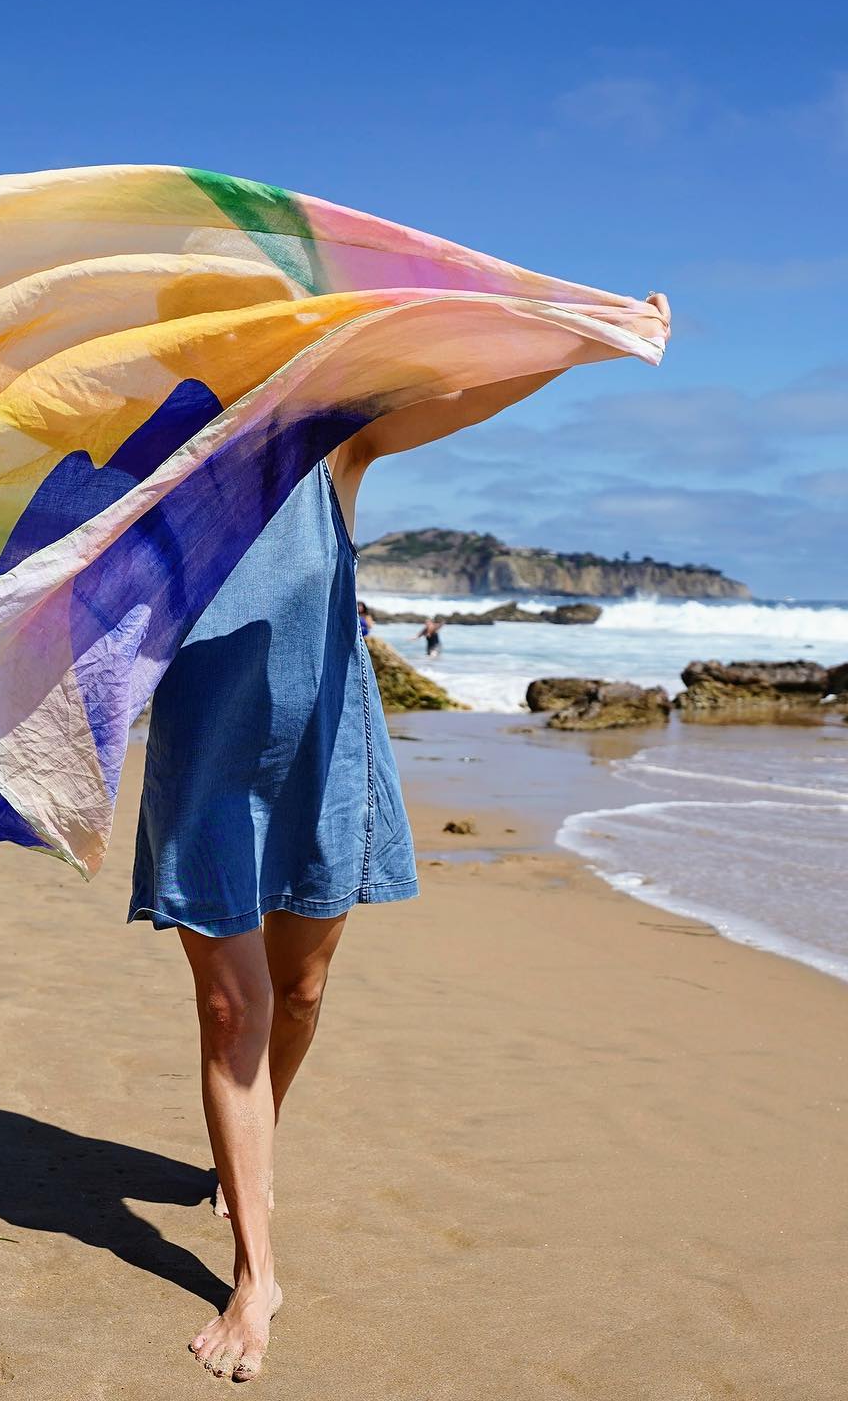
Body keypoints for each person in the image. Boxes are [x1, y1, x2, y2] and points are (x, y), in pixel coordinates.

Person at [130, 288, 670, 1384]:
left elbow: (463, 392)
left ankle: (248, 1154)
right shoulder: (146, 463)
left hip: (325, 746)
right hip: (206, 754)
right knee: (234, 1003)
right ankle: (256, 1268)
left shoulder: (330, 437)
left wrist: (589, 340)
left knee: (303, 992)